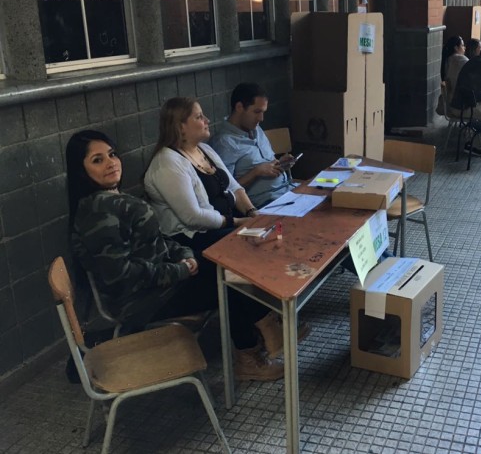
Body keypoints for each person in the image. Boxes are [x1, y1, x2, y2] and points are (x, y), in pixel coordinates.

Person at [68, 129, 285, 381]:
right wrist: (179, 270)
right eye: (97, 160)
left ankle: (264, 330)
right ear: (81, 171)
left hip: (161, 282)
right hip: (141, 300)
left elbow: (156, 239)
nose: (111, 163)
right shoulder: (98, 212)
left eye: (112, 154)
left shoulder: (113, 198)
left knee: (229, 265)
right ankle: (250, 356)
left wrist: (184, 254)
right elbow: (120, 275)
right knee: (228, 283)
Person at [144, 97, 310, 364]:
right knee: (237, 263)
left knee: (266, 240)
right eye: (198, 117)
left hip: (223, 225)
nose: (206, 120)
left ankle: (264, 327)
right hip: (189, 239)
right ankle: (253, 343)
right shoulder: (167, 163)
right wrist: (236, 224)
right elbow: (193, 217)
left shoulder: (205, 151)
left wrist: (254, 215)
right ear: (180, 126)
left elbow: (235, 187)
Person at [210, 83, 295, 208]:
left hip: (288, 189)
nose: (261, 118)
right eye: (256, 112)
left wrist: (279, 164)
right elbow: (225, 191)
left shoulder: (256, 129)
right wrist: (256, 172)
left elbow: (267, 162)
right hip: (266, 202)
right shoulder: (224, 143)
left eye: (263, 112)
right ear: (239, 107)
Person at [436, 35, 468, 117]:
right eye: (462, 45)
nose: (465, 48)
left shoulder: (448, 59)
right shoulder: (461, 59)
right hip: (460, 103)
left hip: (450, 101)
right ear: (456, 48)